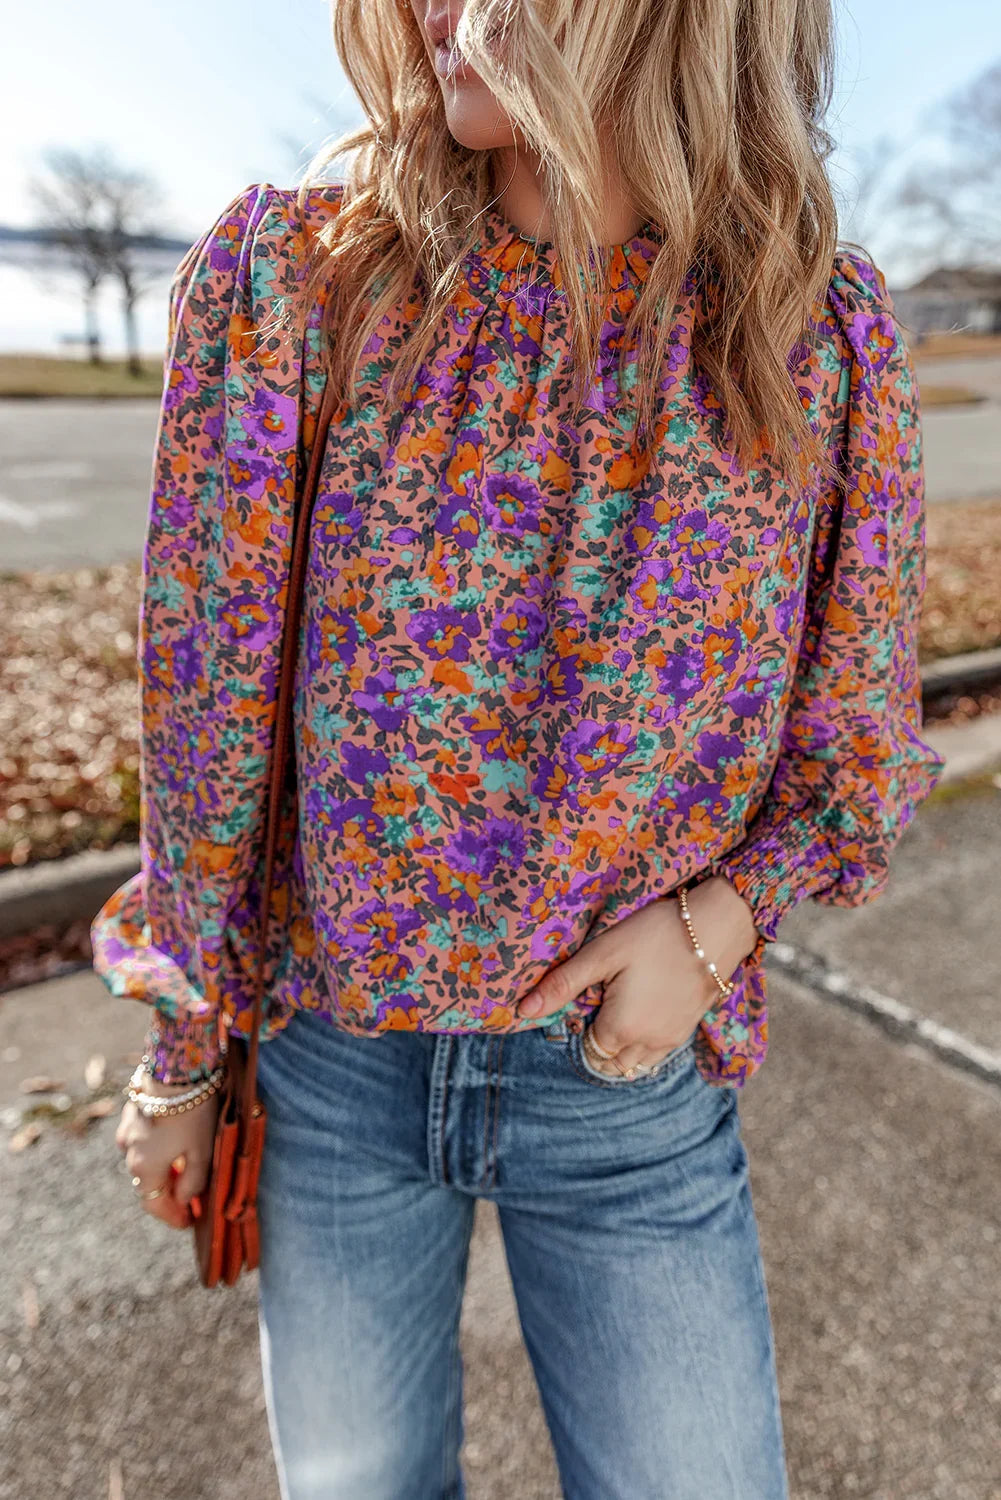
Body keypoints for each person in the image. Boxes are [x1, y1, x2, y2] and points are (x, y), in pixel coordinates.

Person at [91, 1, 945, 1496]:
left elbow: (853, 746)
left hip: (626, 1093)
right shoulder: (304, 284)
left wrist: (717, 924)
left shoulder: (810, 336)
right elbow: (210, 721)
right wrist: (185, 1045)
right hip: (332, 1070)